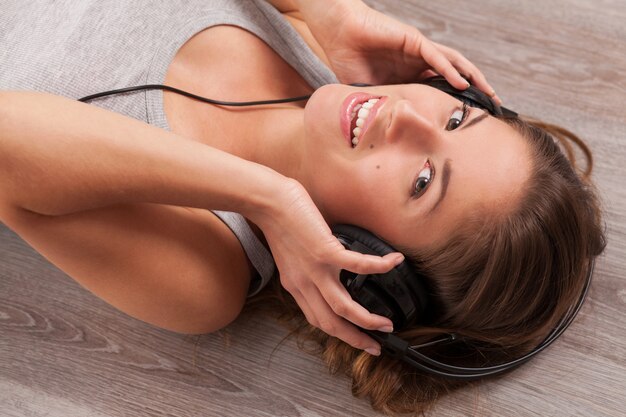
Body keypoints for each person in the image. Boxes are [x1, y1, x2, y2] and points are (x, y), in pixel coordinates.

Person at [0, 0, 605, 414]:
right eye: (455, 116)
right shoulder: (321, 46)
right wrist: (329, 11)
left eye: (422, 180)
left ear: (369, 268)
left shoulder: (203, 269)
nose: (406, 115)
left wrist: (266, 194)